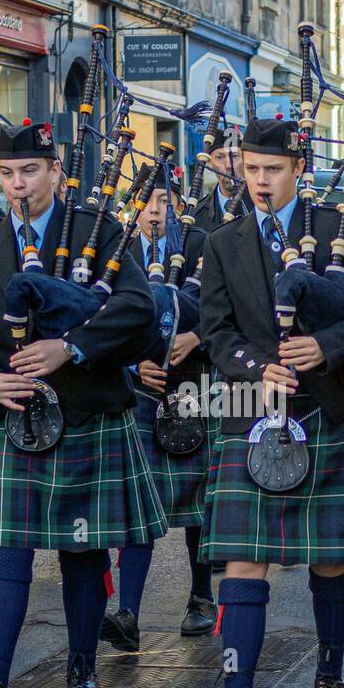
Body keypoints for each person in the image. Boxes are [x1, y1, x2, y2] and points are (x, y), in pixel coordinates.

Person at [184, 115, 344, 688]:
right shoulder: (222, 242)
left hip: (325, 406)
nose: (259, 181)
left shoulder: (341, 230)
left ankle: (329, 678)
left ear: (297, 171)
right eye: (250, 169)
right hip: (253, 409)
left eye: (272, 170)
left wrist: (324, 347)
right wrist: (261, 366)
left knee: (330, 556)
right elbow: (218, 332)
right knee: (241, 559)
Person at [0, 120, 165, 688]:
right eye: (8, 174)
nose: (19, 185)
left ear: (56, 172)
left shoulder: (100, 232)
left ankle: (83, 670)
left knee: (83, 548)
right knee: (4, 546)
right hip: (9, 415)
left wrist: (72, 347)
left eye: (31, 171)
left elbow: (138, 309)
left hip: (86, 405)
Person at [98, 161, 217, 651]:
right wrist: (130, 365)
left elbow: (229, 308)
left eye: (165, 201)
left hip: (190, 386)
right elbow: (100, 318)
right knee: (138, 505)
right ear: (132, 205)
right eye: (148, 202)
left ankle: (201, 596)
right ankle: (127, 612)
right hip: (138, 392)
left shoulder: (199, 244)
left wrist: (196, 336)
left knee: (198, 500)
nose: (156, 212)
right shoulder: (116, 250)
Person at [192, 126, 251, 232]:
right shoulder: (196, 215)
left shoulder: (263, 206)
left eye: (234, 156)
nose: (229, 165)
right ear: (209, 162)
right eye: (220, 157)